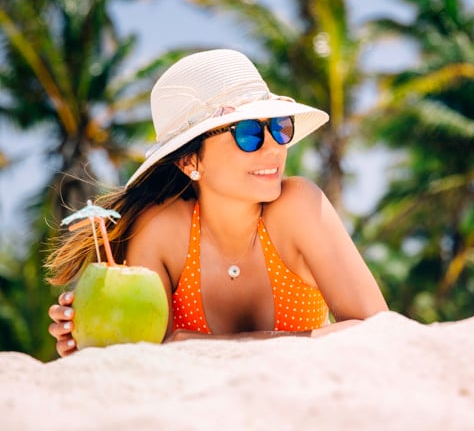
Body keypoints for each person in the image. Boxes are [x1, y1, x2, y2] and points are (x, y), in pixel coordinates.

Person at [47, 49, 388, 357]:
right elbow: (145, 364)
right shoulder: (162, 233)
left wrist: (205, 345)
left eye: (280, 127)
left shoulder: (298, 207)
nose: (274, 147)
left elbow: (379, 330)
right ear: (189, 162)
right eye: (249, 133)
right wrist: (90, 344)